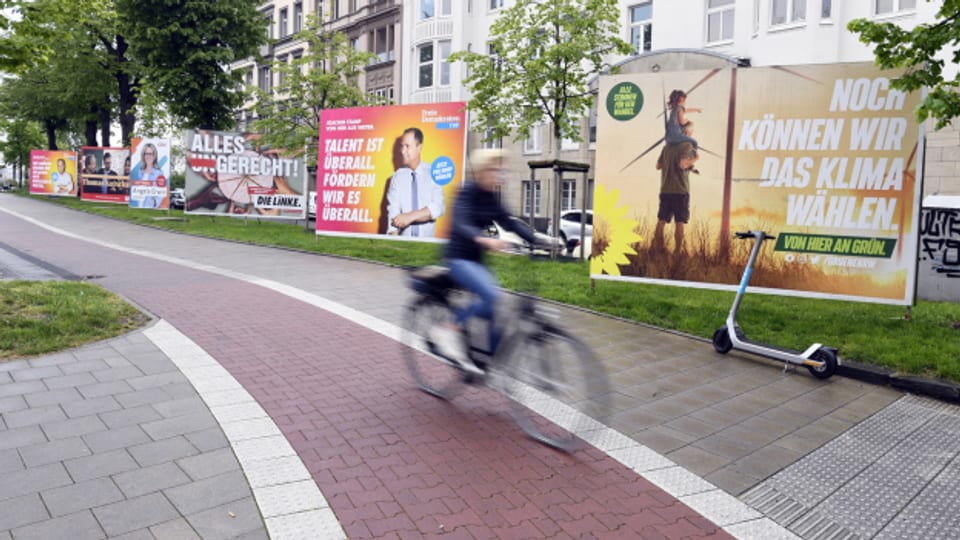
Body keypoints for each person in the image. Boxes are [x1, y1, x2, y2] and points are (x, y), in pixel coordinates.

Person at [431, 149, 539, 375]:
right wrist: (483, 239)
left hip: (478, 261)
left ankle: (484, 363)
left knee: (494, 310)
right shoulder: (466, 192)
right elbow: (461, 222)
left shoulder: (491, 197)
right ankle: (448, 329)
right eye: (495, 169)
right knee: (493, 295)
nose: (499, 174)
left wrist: (540, 240)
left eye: (502, 170)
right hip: (458, 258)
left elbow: (510, 223)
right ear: (482, 171)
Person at [385, 127, 445, 237]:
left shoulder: (434, 173)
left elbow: (438, 207)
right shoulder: (397, 177)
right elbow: (393, 212)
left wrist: (410, 216)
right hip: (403, 246)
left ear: (419, 148)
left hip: (427, 246)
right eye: (402, 146)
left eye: (407, 146)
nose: (403, 151)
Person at [653, 123, 698, 256]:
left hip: (665, 189)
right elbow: (683, 164)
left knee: (661, 220)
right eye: (692, 130)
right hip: (680, 190)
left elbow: (658, 165)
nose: (692, 133)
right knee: (680, 221)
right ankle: (678, 251)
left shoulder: (667, 147)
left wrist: (689, 167)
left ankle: (657, 248)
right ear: (686, 131)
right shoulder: (687, 145)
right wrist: (695, 159)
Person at [131, 143, 164, 208]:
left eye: (150, 154)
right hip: (138, 207)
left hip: (149, 208)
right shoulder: (140, 172)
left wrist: (153, 205)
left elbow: (160, 195)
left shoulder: (159, 174)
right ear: (143, 155)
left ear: (154, 156)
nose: (148, 156)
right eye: (146, 154)